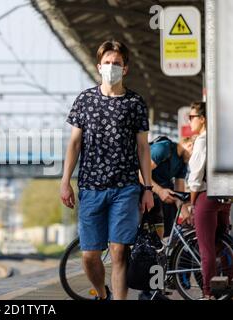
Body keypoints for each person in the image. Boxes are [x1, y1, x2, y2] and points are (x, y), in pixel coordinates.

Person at [60, 40, 154, 301]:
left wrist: (147, 188)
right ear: (99, 66)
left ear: (125, 69)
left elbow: (143, 149)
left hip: (125, 188)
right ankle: (103, 294)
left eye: (117, 63)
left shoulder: (135, 103)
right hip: (91, 188)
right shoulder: (85, 100)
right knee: (90, 255)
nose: (111, 67)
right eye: (108, 63)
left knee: (119, 250)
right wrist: (65, 181)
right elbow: (74, 143)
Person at [181, 101, 232, 299]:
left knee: (206, 249)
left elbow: (195, 177)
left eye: (192, 117)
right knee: (223, 244)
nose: (189, 121)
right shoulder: (221, 139)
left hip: (206, 197)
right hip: (224, 197)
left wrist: (192, 203)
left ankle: (208, 293)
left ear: (202, 119)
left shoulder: (202, 140)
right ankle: (229, 284)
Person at [138, 136, 194, 300]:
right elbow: (141, 174)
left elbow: (179, 191)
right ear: (189, 145)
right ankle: (148, 291)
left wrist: (185, 213)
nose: (195, 157)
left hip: (161, 196)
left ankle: (156, 289)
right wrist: (160, 191)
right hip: (145, 193)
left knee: (162, 245)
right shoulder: (164, 149)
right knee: (153, 244)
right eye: (195, 152)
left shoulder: (183, 163)